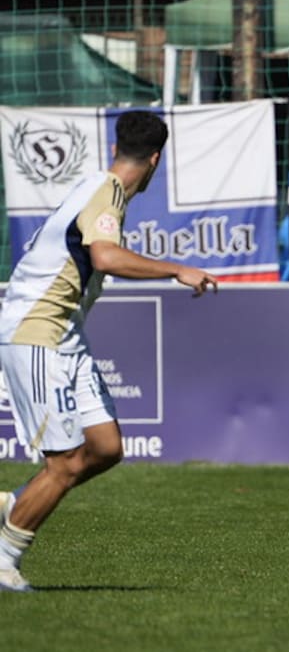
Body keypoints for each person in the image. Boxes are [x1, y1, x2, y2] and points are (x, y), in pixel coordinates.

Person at [0, 110, 219, 592]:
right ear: (156, 160)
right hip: (38, 332)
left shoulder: (96, 185)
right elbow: (105, 256)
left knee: (105, 447)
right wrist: (176, 269)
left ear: (116, 147)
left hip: (65, 334)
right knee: (64, 464)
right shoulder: (107, 193)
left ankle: (12, 507)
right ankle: (4, 557)